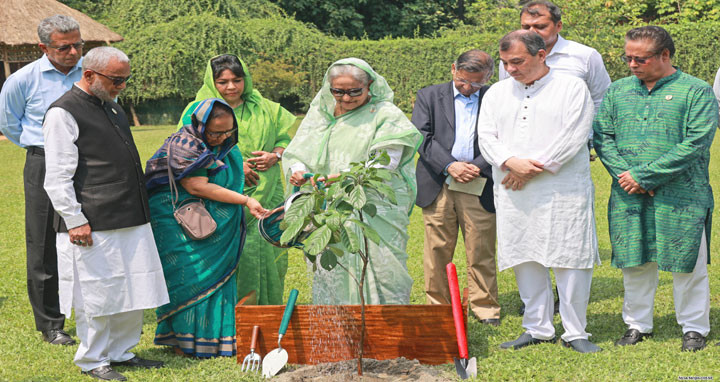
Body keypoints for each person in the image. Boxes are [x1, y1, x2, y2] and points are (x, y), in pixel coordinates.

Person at [43, 46, 169, 381]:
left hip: (130, 215)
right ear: (89, 74)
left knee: (134, 288)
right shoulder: (62, 112)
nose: (122, 86)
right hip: (92, 221)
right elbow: (56, 177)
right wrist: (75, 220)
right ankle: (93, 359)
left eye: (126, 79)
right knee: (97, 294)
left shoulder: (112, 108)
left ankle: (121, 352)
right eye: (116, 80)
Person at [594, 26, 718, 352]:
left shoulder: (696, 91)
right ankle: (637, 325)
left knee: (687, 263)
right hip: (628, 193)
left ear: (665, 55)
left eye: (641, 58)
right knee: (635, 262)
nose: (632, 64)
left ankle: (693, 328)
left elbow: (696, 143)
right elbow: (603, 136)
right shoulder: (618, 90)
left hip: (683, 195)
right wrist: (626, 175)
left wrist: (645, 176)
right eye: (628, 57)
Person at [477, 30, 601, 353]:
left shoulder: (572, 87)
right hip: (513, 187)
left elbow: (575, 134)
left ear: (541, 55)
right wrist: (509, 162)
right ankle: (537, 326)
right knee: (524, 253)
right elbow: (486, 137)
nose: (511, 69)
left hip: (562, 189)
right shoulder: (496, 93)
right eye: (505, 62)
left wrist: (531, 168)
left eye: (517, 61)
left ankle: (576, 331)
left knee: (570, 256)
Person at [499, 0, 611, 315]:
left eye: (540, 26)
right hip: (519, 163)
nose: (532, 31)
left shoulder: (585, 56)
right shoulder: (510, 57)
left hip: (569, 158)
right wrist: (512, 159)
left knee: (567, 227)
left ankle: (567, 303)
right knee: (528, 228)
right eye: (527, 26)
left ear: (558, 26)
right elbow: (506, 102)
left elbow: (602, 98)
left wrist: (586, 142)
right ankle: (538, 305)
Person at [282, 58, 422, 304]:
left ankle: (385, 332)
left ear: (370, 85)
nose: (345, 98)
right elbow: (299, 150)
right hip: (330, 208)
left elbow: (384, 163)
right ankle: (340, 330)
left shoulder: (386, 115)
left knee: (383, 266)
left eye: (354, 92)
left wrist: (337, 177)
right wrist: (298, 170)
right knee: (334, 265)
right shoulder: (322, 114)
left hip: (374, 207)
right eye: (338, 91)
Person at [145, 98, 267, 357]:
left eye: (228, 132)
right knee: (188, 276)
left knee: (214, 277)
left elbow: (213, 164)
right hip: (176, 221)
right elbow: (196, 186)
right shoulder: (185, 144)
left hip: (201, 219)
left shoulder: (217, 144)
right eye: (215, 132)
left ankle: (214, 339)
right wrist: (246, 200)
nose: (222, 138)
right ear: (198, 125)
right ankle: (183, 342)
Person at [179, 54, 295, 305]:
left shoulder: (267, 108)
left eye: (237, 80)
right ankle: (230, 321)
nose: (231, 87)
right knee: (229, 252)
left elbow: (286, 141)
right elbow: (186, 150)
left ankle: (267, 311)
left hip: (268, 188)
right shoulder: (198, 110)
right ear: (212, 82)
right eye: (222, 81)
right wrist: (232, 164)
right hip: (221, 191)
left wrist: (275, 155)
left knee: (271, 248)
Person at [0, 15, 84, 346]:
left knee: (97, 231)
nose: (74, 52)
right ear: (43, 47)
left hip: (90, 162)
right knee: (44, 244)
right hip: (44, 161)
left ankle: (95, 308)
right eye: (65, 47)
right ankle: (51, 323)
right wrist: (45, 149)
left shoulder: (90, 75)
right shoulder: (22, 80)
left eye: (78, 44)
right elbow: (9, 124)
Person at [412, 50, 500, 325]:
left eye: (476, 84)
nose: (468, 88)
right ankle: (438, 309)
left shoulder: (495, 97)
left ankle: (485, 308)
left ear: (488, 77)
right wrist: (450, 165)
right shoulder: (428, 96)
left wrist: (478, 165)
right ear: (453, 69)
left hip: (479, 181)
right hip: (439, 182)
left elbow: (505, 136)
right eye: (463, 81)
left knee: (481, 250)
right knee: (437, 250)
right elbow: (420, 137)